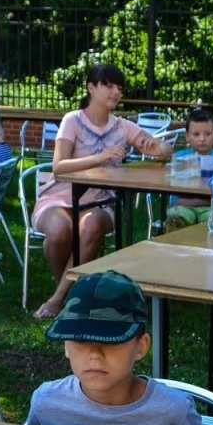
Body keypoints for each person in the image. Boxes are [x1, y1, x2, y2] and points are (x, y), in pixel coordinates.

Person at [30, 63, 173, 320]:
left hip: (101, 202)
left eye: (119, 87)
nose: (115, 92)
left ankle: (60, 297)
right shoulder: (72, 120)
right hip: (59, 196)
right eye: (108, 85)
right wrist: (102, 157)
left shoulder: (122, 126)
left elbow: (163, 150)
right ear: (91, 87)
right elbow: (59, 167)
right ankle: (75, 288)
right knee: (60, 231)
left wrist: (158, 148)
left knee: (91, 224)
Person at [26, 270, 213, 425]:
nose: (95, 354)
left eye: (110, 340)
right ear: (66, 345)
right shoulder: (46, 403)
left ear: (141, 346)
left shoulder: (174, 412)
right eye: (80, 340)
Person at [162, 107, 213, 232]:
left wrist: (193, 201)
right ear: (187, 136)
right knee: (175, 217)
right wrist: (206, 199)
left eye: (207, 134)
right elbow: (175, 196)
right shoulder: (180, 158)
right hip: (184, 207)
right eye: (196, 134)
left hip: (211, 208)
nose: (202, 139)